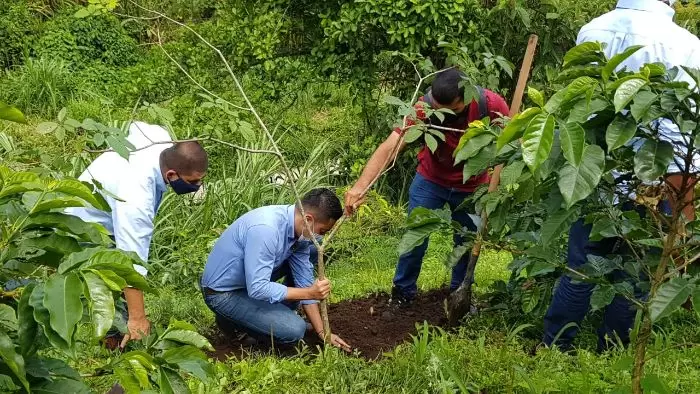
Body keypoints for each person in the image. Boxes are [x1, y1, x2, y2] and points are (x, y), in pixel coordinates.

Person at [543, 0, 700, 352]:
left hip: (595, 175)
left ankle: (554, 345)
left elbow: (582, 108)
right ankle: (610, 350)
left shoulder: (593, 30)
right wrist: (684, 212)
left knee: (582, 264)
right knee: (636, 271)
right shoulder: (687, 45)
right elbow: (677, 135)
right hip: (653, 181)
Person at [344, 69, 510, 305]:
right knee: (414, 238)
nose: (442, 113)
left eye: (451, 110)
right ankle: (402, 294)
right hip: (430, 180)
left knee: (465, 243)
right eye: (438, 107)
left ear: (467, 98)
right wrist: (361, 186)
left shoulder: (491, 105)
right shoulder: (425, 107)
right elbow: (392, 145)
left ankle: (458, 295)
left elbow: (514, 138)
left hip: (472, 185)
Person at [66, 121, 208, 348]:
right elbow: (130, 260)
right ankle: (115, 339)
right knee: (106, 282)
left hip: (105, 205)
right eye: (193, 181)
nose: (198, 186)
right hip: (82, 225)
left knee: (121, 285)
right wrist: (138, 318)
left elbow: (138, 126)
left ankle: (123, 325)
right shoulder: (136, 196)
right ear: (171, 174)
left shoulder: (159, 141)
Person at [200, 188, 351, 351]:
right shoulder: (267, 230)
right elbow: (258, 288)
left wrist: (322, 332)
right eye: (322, 231)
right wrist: (309, 293)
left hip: (247, 283)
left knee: (313, 250)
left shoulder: (297, 230)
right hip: (222, 292)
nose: (321, 237)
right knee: (294, 330)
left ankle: (267, 314)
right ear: (308, 219)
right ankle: (232, 323)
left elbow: (304, 281)